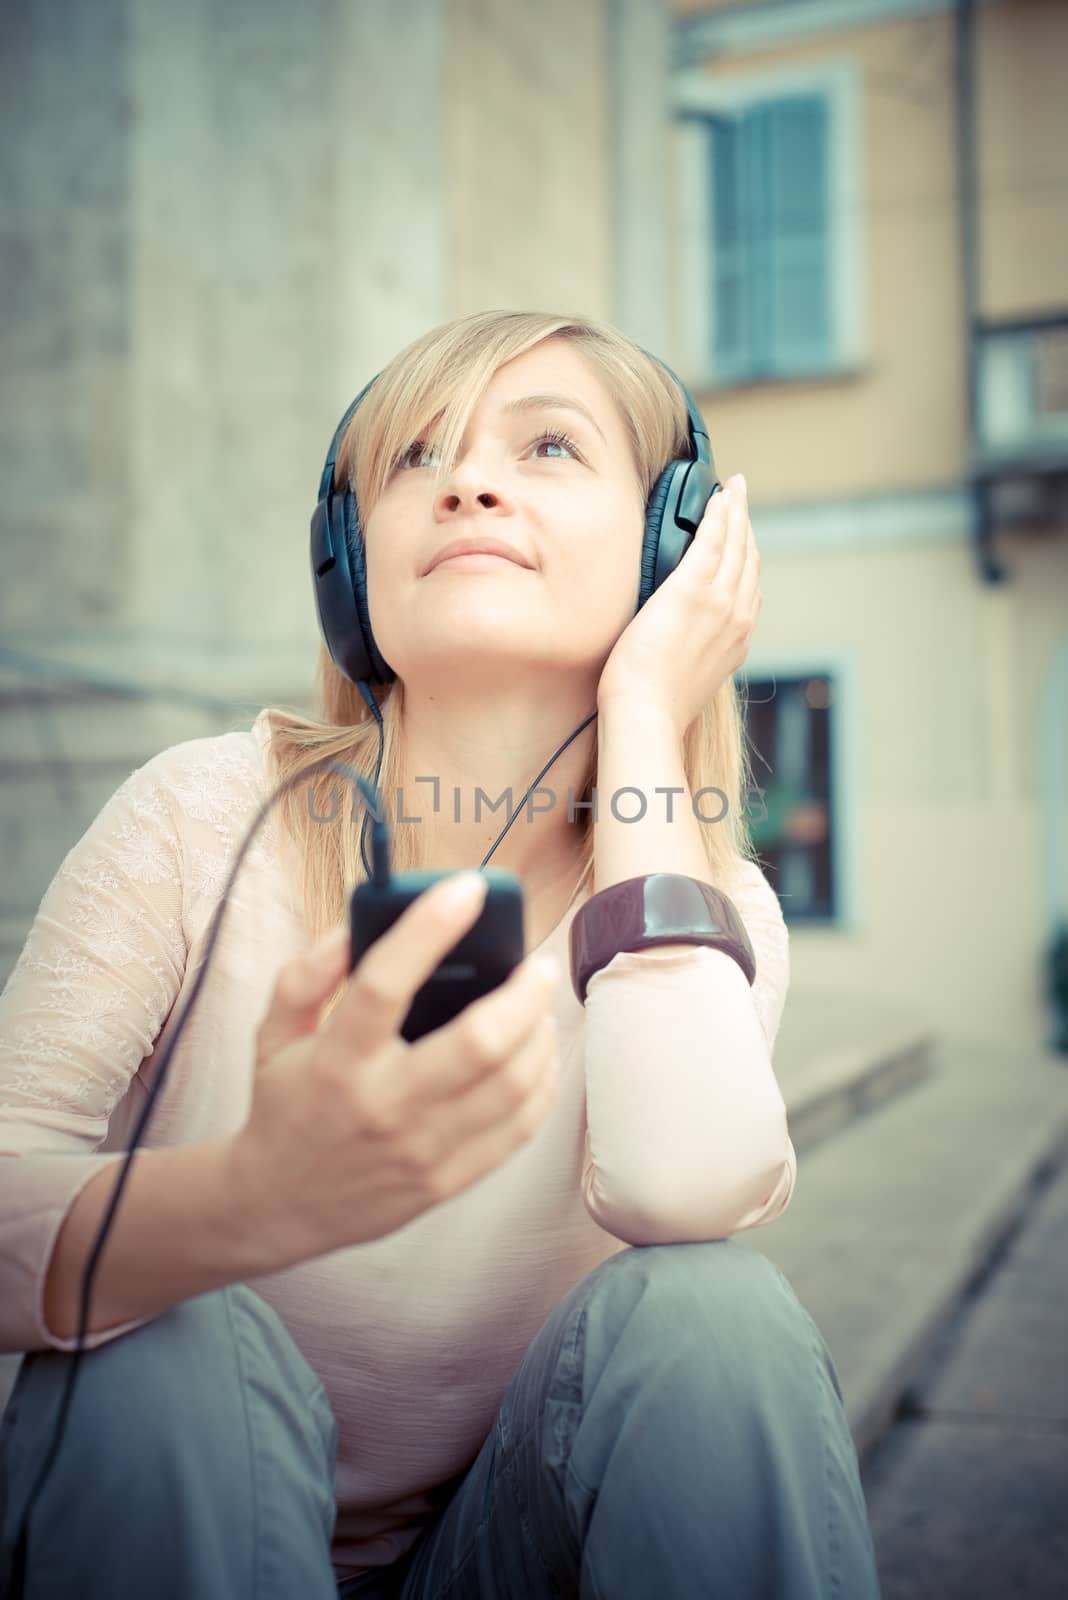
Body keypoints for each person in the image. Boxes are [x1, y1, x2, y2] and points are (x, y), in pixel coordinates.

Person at [0, 309, 882, 1598]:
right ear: (350, 566)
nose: (466, 480)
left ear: (668, 551)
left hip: (497, 1556)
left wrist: (645, 712)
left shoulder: (704, 907)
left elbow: (685, 1194)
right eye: (415, 455)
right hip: (184, 1516)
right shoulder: (201, 816)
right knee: (160, 1332)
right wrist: (252, 1198)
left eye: (549, 448)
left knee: (717, 1318)